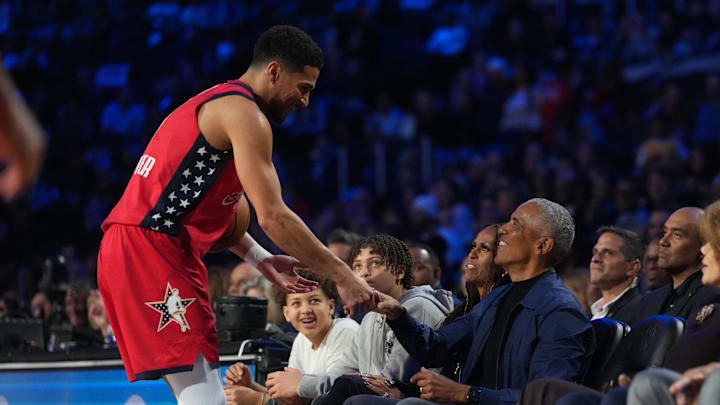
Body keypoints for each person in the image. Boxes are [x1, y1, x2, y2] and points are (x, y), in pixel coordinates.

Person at [96, 25, 376, 404]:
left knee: (199, 390)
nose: (306, 102)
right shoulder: (245, 116)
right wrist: (341, 275)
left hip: (144, 245)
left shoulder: (218, 105)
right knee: (205, 398)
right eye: (304, 88)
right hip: (149, 249)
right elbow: (273, 217)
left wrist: (258, 258)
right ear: (274, 71)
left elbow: (212, 210)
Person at [366, 198, 594, 405]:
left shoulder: (561, 313)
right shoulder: (498, 298)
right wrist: (398, 315)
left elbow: (545, 398)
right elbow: (437, 347)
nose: (503, 230)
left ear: (542, 246)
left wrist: (463, 393)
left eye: (516, 224)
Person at [269, 235, 453, 405]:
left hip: (417, 398)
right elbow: (342, 372)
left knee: (353, 395)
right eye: (356, 266)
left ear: (400, 272)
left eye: (375, 263)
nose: (364, 273)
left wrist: (303, 383)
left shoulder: (418, 306)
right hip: (381, 396)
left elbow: (393, 379)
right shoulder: (369, 318)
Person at [347, 225, 506, 403]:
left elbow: (427, 361)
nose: (472, 254)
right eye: (472, 246)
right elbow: (436, 349)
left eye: (484, 248)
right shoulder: (470, 311)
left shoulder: (421, 305)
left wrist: (399, 316)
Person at [223, 270, 358, 405]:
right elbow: (293, 399)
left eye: (314, 300)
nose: (305, 310)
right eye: (296, 303)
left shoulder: (345, 331)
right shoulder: (301, 340)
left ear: (331, 306)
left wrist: (257, 400)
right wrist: (250, 386)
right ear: (286, 313)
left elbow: (334, 394)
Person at [588, 226, 644, 324]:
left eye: (608, 253)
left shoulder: (641, 312)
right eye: (595, 252)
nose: (595, 259)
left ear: (632, 267)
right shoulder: (588, 316)